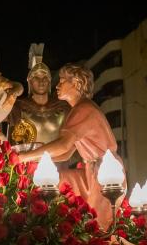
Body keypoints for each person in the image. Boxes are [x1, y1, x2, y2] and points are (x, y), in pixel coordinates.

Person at [17, 63, 118, 229]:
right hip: (91, 171)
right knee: (51, 182)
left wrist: (23, 157)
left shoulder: (83, 109)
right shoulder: (78, 109)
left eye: (62, 81)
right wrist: (34, 164)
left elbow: (63, 146)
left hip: (106, 176)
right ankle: (46, 224)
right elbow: (66, 154)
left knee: (100, 231)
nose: (57, 85)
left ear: (77, 84)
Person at [7, 62, 70, 145]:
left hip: (59, 156)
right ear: (30, 82)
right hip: (29, 156)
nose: (41, 82)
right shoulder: (19, 107)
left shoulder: (62, 107)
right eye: (36, 78)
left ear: (49, 81)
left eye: (45, 78)